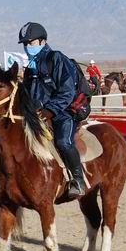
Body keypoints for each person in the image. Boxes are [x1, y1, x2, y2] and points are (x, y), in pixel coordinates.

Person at [18, 21, 86, 198]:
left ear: (42, 41)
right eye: (25, 44)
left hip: (63, 112)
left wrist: (51, 110)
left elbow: (67, 90)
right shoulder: (30, 67)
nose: (27, 47)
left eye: (30, 43)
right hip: (38, 114)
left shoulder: (56, 59)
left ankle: (78, 180)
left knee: (63, 142)